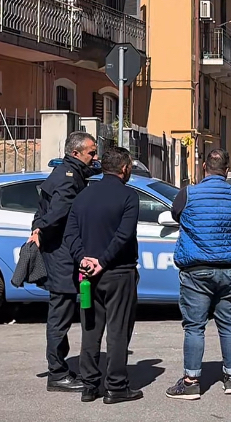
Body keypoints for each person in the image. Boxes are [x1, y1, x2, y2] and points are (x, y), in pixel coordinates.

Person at [165, 149, 231, 400]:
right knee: (228, 324)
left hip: (196, 270)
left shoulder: (188, 193)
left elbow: (175, 215)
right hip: (229, 269)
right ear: (227, 170)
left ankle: (191, 382)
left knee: (194, 327)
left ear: (203, 168)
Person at [64, 146, 142, 404]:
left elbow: (70, 234)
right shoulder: (129, 196)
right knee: (118, 331)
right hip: (119, 272)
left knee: (90, 329)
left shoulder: (83, 196)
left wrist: (83, 259)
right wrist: (103, 261)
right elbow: (124, 235)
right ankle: (116, 387)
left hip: (87, 275)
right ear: (124, 168)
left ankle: (89, 385)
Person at [30, 131, 97, 393]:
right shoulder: (69, 179)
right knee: (60, 315)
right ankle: (57, 373)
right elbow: (57, 213)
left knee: (61, 314)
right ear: (75, 153)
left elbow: (41, 209)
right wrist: (41, 229)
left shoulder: (65, 172)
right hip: (62, 256)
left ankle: (60, 368)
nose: (95, 156)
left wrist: (37, 227)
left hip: (58, 252)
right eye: (91, 152)